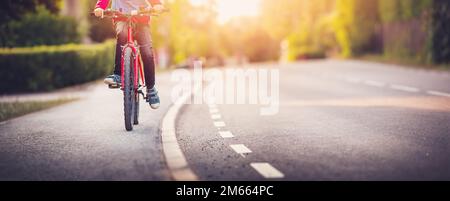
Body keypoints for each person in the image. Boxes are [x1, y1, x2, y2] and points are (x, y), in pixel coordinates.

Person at [94, 0, 164, 109]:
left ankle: (151, 89)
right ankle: (118, 75)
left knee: (147, 51)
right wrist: (100, 7)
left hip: (142, 18)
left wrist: (157, 4)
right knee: (122, 35)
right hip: (121, 16)